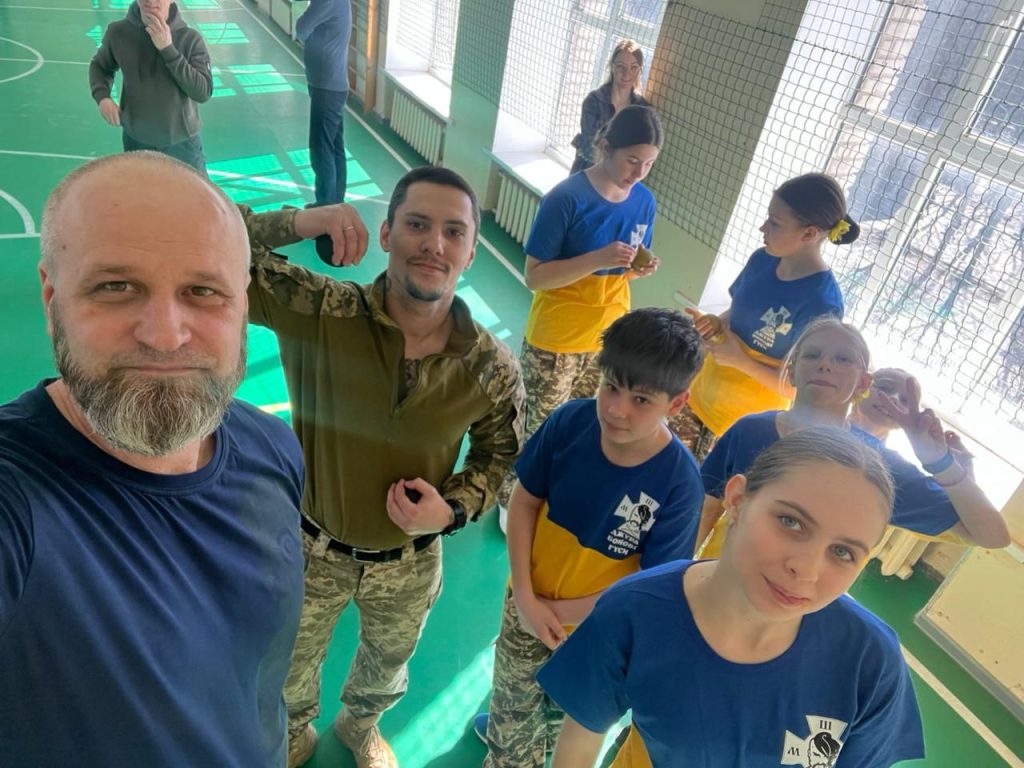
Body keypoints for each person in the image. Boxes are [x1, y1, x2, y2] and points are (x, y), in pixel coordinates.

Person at [0, 153, 305, 766]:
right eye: (116, 287)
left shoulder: (273, 448)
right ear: (52, 298)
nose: (165, 336)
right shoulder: (17, 497)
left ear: (243, 304)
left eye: (203, 291)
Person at [240, 166, 526, 768]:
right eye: (417, 225)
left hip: (410, 561)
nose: (434, 244)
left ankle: (359, 726)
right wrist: (302, 221)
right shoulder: (321, 310)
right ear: (388, 233)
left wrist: (453, 510)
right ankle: (294, 734)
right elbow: (214, 244)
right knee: (290, 662)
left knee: (387, 663)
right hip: (311, 546)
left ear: (471, 251)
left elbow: (501, 453)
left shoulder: (490, 366)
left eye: (454, 232)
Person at [537, 429, 926, 768]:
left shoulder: (870, 662)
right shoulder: (634, 611)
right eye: (791, 522)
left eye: (842, 552)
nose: (806, 570)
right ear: (737, 499)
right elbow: (581, 740)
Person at [479, 308, 706, 768]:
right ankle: (507, 739)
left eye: (641, 399)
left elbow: (648, 585)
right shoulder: (569, 422)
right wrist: (526, 597)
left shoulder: (680, 483)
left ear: (676, 404)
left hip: (599, 631)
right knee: (510, 716)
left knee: (562, 723)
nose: (617, 409)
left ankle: (522, 735)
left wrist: (559, 614)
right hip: (527, 602)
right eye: (611, 387)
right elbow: (523, 503)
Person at [698, 318, 1011, 557]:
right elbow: (705, 508)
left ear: (863, 382)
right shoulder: (750, 430)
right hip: (717, 580)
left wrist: (941, 463)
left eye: (843, 359)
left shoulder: (877, 467)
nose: (825, 364)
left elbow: (992, 537)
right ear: (791, 371)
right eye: (813, 355)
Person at [497, 105, 662, 522]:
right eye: (632, 160)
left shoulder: (644, 201)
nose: (639, 173)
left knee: (585, 423)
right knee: (538, 425)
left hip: (608, 335)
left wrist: (637, 268)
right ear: (605, 146)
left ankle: (550, 493)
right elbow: (535, 276)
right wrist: (597, 258)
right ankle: (509, 500)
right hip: (557, 337)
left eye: (648, 164)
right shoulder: (566, 199)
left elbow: (625, 266)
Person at [677, 173, 854, 461]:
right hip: (699, 397)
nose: (763, 228)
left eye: (775, 223)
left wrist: (741, 361)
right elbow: (737, 311)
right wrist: (716, 323)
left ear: (809, 234)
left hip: (745, 427)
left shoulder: (823, 304)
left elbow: (800, 388)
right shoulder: (762, 259)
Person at [89, 0, 213, 173]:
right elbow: (100, 66)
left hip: (183, 145)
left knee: (192, 192)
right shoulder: (118, 32)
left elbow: (202, 92)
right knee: (141, 190)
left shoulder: (190, 39)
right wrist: (103, 97)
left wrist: (168, 49)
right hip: (136, 142)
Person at [297, 0, 352, 205]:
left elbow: (302, 28)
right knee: (334, 146)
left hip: (326, 85)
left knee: (321, 150)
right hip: (333, 84)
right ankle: (335, 203)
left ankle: (325, 208)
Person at [570, 40, 650, 174]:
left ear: (640, 70)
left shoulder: (642, 109)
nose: (626, 74)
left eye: (634, 67)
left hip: (621, 178)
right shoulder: (594, 101)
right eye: (621, 66)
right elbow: (591, 148)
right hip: (587, 172)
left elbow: (641, 152)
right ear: (612, 67)